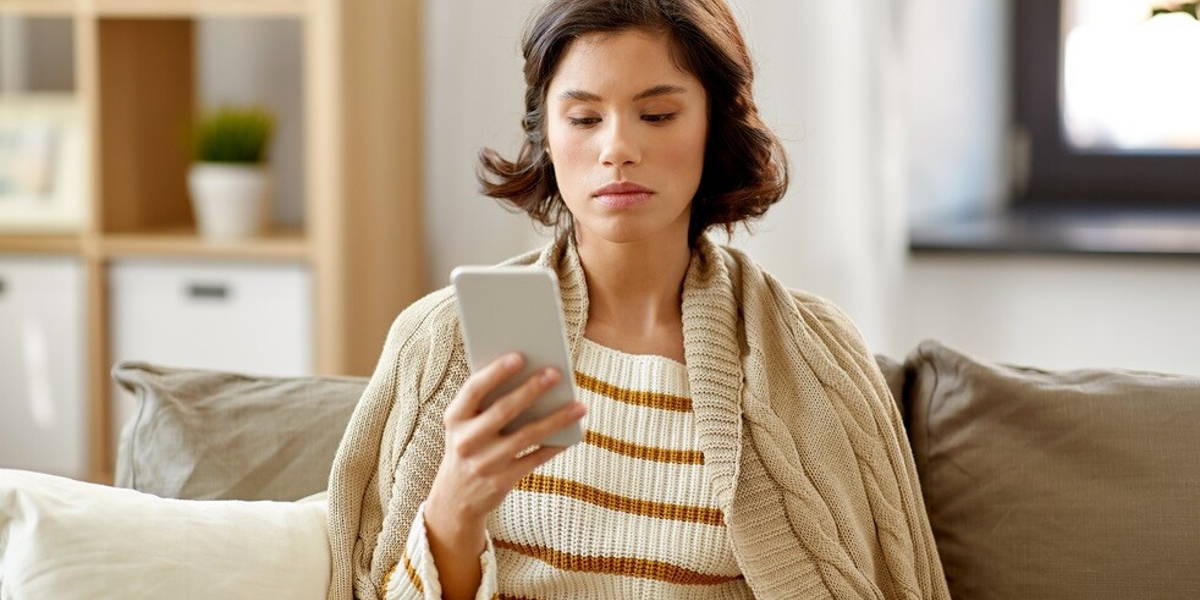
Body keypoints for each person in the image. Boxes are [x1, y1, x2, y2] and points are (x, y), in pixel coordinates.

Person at [326, 1, 950, 599]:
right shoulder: (440, 341)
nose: (617, 148)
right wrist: (454, 507)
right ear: (547, 135)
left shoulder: (816, 353)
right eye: (584, 118)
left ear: (714, 127)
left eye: (656, 115)